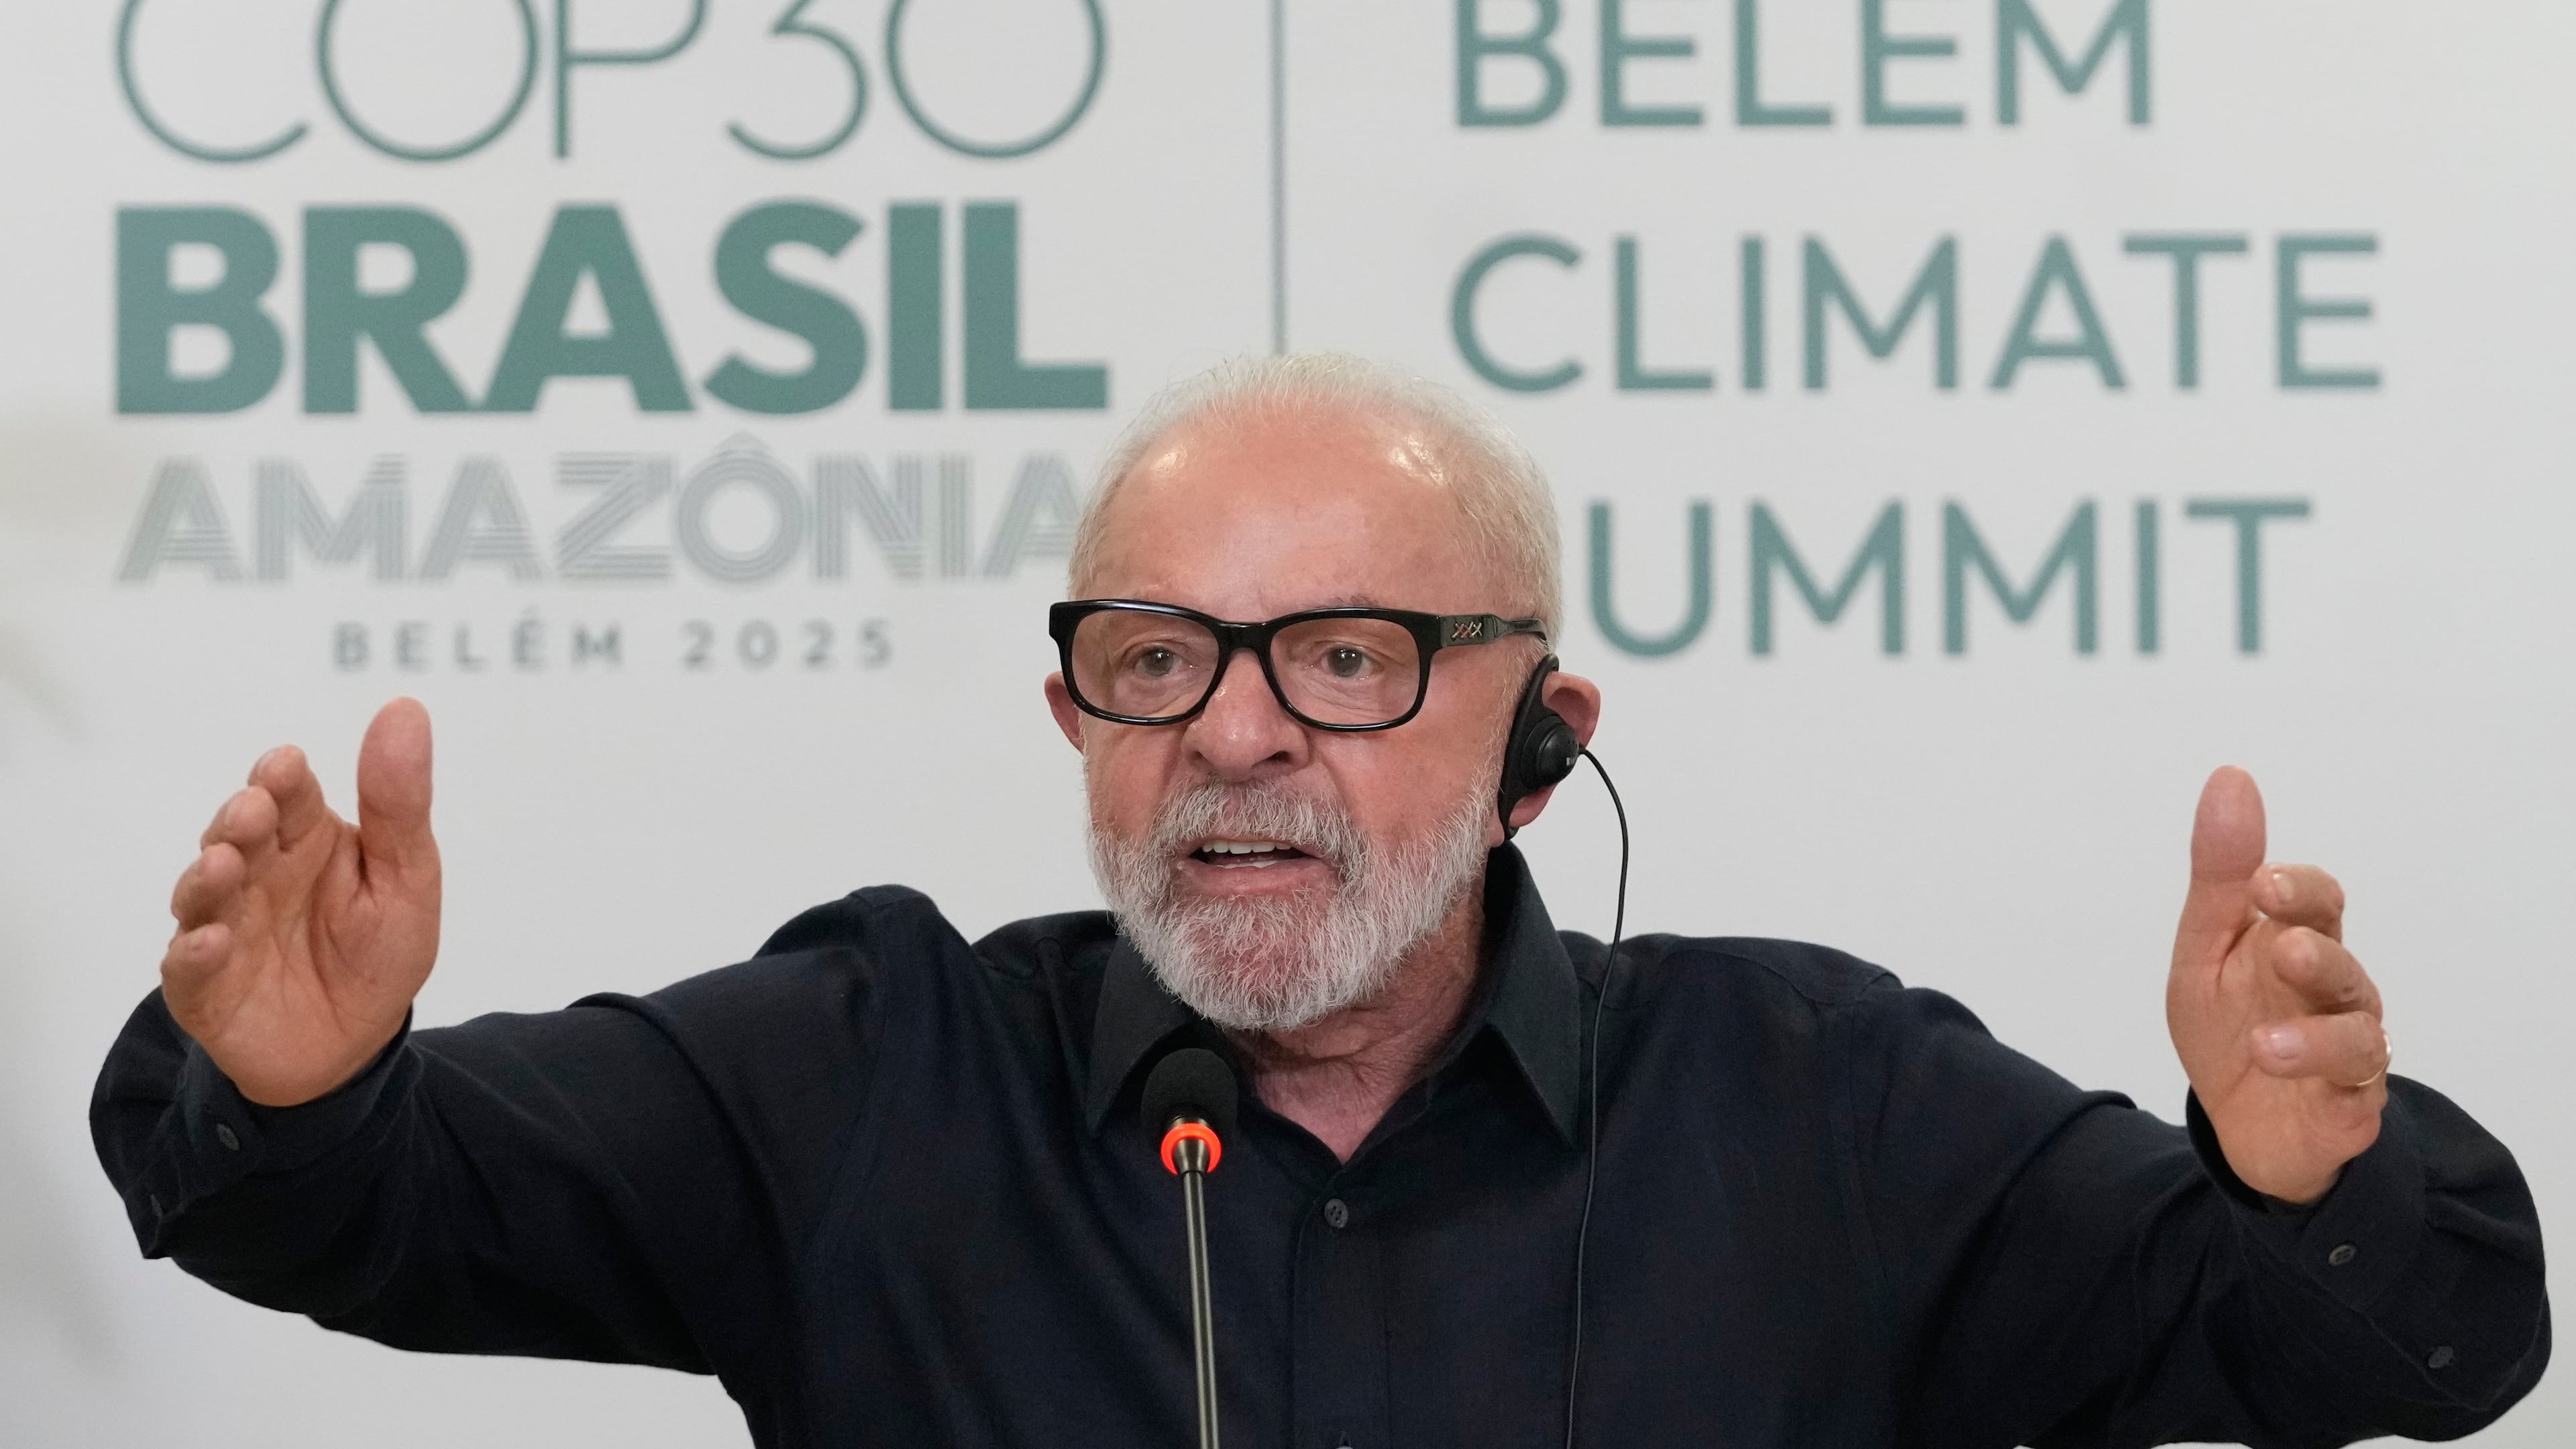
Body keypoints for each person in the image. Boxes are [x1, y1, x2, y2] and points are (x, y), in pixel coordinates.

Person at [95, 356, 2545, 1448]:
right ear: (1075, 718)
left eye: (1348, 659)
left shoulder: (1826, 1107)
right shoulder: (867, 1074)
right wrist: (292, 1083)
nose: (1237, 736)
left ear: (1540, 735)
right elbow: (347, 1203)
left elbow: (2405, 1360)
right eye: (1156, 657)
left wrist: (2308, 1175)